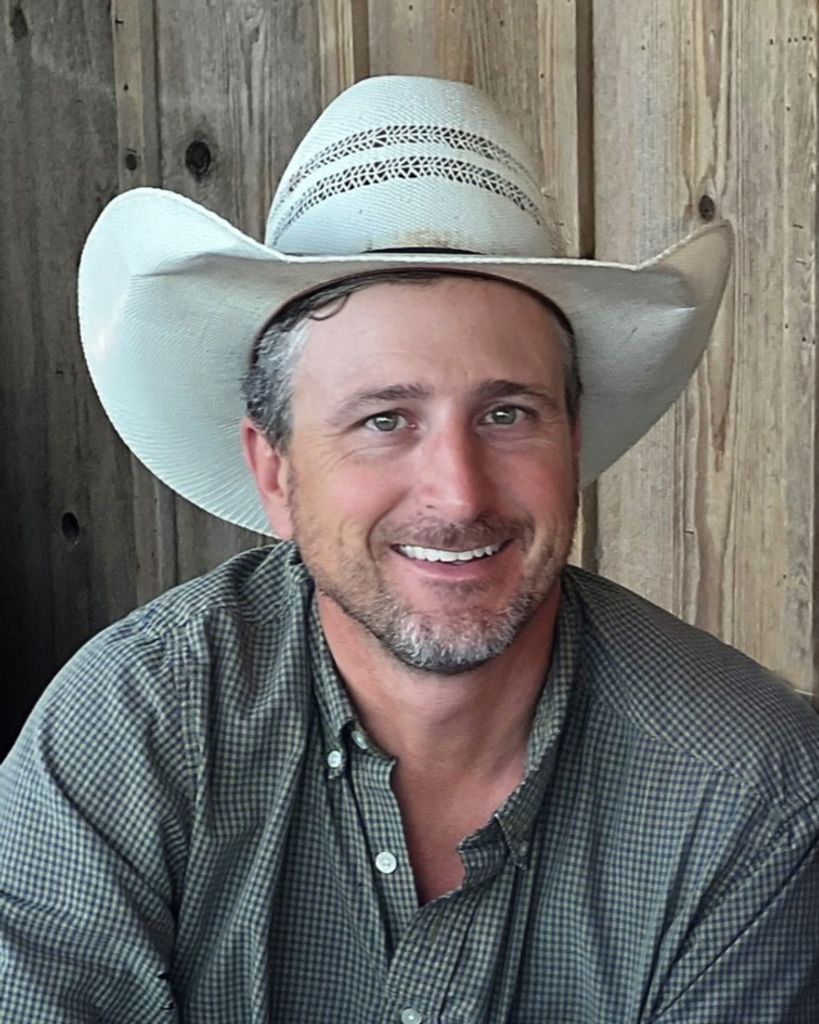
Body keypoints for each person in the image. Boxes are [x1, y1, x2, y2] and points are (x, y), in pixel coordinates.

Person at [1, 75, 817, 1023]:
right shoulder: (133, 727)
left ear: (573, 446)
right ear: (276, 474)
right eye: (384, 419)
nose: (458, 495)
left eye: (507, 414)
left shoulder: (747, 786)